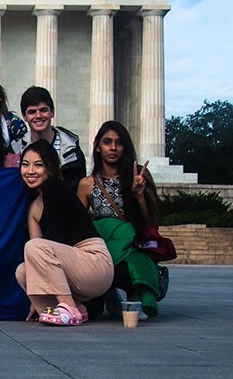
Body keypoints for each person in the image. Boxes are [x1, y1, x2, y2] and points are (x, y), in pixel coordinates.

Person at [15, 139, 113, 326]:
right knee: (22, 271)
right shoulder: (34, 207)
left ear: (50, 167)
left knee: (34, 247)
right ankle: (76, 309)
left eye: (38, 165)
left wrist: (40, 288)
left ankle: (68, 308)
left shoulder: (55, 187)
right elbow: (37, 258)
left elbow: (50, 243)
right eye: (25, 165)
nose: (30, 171)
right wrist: (37, 295)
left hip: (94, 263)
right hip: (71, 270)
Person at [77, 120, 164, 318]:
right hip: (102, 249)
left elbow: (152, 223)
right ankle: (107, 291)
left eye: (119, 142)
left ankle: (137, 291)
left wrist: (139, 195)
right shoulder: (87, 184)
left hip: (132, 246)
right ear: (98, 147)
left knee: (132, 261)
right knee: (93, 312)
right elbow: (79, 225)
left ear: (125, 147)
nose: (113, 148)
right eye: (107, 142)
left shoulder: (139, 176)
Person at [20, 86, 86, 189]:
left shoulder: (72, 154)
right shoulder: (16, 151)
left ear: (52, 112)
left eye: (43, 110)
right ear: (24, 116)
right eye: (32, 112)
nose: (38, 116)